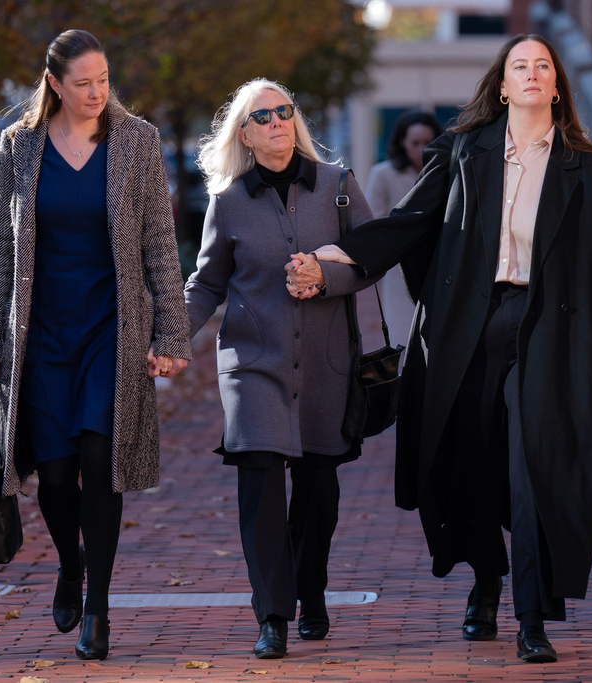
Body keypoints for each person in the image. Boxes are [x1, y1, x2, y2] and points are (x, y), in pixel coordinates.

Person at [286, 34, 592, 664]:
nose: (532, 75)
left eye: (542, 67)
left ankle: (532, 616)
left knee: (533, 470)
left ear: (556, 84)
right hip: (467, 328)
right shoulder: (459, 151)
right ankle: (485, 579)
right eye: (519, 67)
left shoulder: (583, 167)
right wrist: (337, 257)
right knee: (470, 461)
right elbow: (409, 222)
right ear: (501, 85)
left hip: (548, 332)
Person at [0, 29, 191, 661]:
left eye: (104, 80)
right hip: (39, 334)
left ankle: (98, 609)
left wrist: (171, 334)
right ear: (55, 85)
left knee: (101, 462)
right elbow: (2, 247)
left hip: (109, 332)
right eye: (84, 83)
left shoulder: (136, 140)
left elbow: (156, 243)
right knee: (56, 477)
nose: (97, 93)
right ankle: (72, 564)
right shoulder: (20, 146)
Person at [184, 78, 376, 660]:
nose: (276, 122)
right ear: (244, 133)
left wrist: (328, 277)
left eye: (284, 111)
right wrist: (167, 337)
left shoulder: (338, 187)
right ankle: (272, 613)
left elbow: (371, 259)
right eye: (262, 116)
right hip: (252, 363)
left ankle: (308, 588)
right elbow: (208, 283)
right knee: (261, 478)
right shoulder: (230, 201)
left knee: (318, 488)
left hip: (324, 362)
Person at [364, 110, 443, 343]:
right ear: (402, 142)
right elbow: (373, 221)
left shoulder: (446, 171)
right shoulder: (383, 174)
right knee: (404, 338)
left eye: (427, 142)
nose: (421, 149)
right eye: (415, 143)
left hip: (441, 265)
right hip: (400, 270)